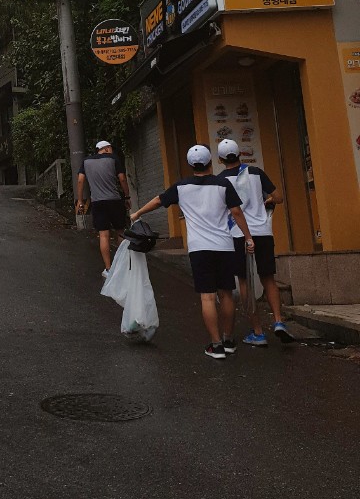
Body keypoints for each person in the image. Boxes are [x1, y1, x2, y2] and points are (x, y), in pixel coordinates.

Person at [131, 144, 256, 359]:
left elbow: (159, 201)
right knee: (227, 293)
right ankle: (228, 340)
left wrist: (137, 213)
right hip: (224, 246)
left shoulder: (181, 187)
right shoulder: (223, 184)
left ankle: (216, 346)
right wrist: (248, 237)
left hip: (199, 249)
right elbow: (236, 211)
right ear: (210, 162)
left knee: (207, 297)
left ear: (190, 164)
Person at [216, 139, 294, 346]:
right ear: (240, 154)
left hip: (238, 234)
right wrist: (267, 201)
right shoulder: (256, 173)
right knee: (268, 278)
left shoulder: (220, 180)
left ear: (220, 159)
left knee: (244, 282)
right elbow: (278, 197)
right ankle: (279, 321)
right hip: (263, 232)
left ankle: (258, 332)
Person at [76, 140, 131, 278]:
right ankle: (123, 266)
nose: (111, 151)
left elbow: (80, 180)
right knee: (120, 232)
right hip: (114, 201)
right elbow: (122, 179)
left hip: (98, 202)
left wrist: (80, 201)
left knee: (104, 235)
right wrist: (127, 196)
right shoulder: (113, 159)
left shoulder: (86, 161)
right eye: (110, 148)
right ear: (106, 149)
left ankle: (108, 269)